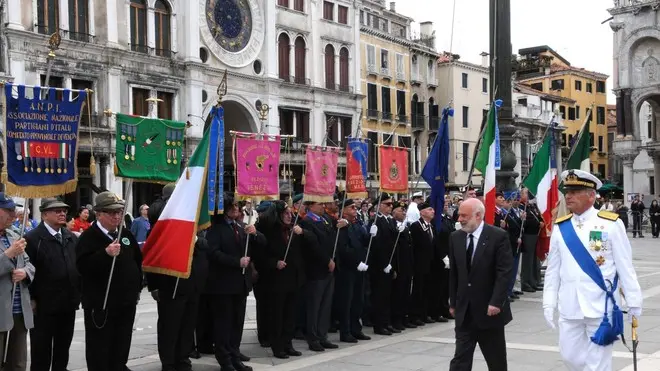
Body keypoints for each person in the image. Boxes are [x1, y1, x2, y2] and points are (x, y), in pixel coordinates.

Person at [543, 170, 643, 371]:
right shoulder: (561, 227)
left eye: (575, 191)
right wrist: (548, 302)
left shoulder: (611, 224)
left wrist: (634, 301)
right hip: (570, 305)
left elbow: (625, 266)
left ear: (591, 195)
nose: (568, 195)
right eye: (567, 190)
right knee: (570, 357)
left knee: (598, 364)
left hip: (601, 306)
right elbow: (553, 270)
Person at [76, 192, 143, 371]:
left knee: (122, 344)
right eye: (111, 212)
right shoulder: (89, 237)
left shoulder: (125, 234)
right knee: (100, 347)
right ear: (98, 214)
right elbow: (82, 267)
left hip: (126, 302)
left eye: (119, 212)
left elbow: (137, 260)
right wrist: (104, 254)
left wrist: (137, 287)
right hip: (102, 304)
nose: (116, 216)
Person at [146, 188, 209, 371]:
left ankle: (183, 359)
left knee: (187, 327)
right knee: (170, 328)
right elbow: (152, 256)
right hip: (170, 285)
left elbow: (204, 247)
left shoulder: (192, 227)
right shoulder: (161, 225)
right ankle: (169, 362)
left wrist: (194, 237)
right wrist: (153, 286)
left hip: (191, 285)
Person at [448, 198, 513, 371]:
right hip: (465, 312)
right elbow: (455, 273)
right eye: (459, 215)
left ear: (478, 216)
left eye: (464, 215)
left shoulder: (498, 236)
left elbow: (504, 272)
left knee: (496, 361)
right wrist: (453, 302)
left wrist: (496, 302)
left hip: (489, 312)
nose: (459, 219)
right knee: (460, 360)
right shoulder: (456, 237)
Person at [205, 193, 266, 371]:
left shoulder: (241, 226)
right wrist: (235, 262)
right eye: (231, 206)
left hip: (240, 284)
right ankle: (224, 359)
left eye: (237, 206)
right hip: (223, 284)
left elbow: (262, 243)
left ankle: (234, 354)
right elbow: (213, 253)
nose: (236, 209)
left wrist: (255, 234)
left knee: (237, 323)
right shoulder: (215, 228)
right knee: (224, 323)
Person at [25, 198, 80, 371]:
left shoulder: (70, 237)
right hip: (43, 305)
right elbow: (28, 269)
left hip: (68, 302)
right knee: (41, 349)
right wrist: (32, 298)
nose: (62, 213)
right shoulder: (33, 238)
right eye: (57, 211)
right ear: (44, 214)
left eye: (64, 210)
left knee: (63, 347)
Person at [254, 201, 305, 359]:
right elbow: (260, 254)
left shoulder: (292, 229)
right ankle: (277, 346)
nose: (290, 216)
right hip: (275, 279)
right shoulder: (268, 230)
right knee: (277, 315)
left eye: (291, 213)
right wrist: (274, 263)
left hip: (292, 278)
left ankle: (288, 343)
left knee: (290, 314)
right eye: (286, 213)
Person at [298, 200, 342, 351]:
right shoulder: (307, 221)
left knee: (325, 305)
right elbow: (313, 246)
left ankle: (323, 336)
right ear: (310, 206)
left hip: (329, 268)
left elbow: (332, 241)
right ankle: (313, 337)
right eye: (319, 204)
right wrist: (326, 260)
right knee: (314, 306)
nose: (323, 207)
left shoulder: (326, 219)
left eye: (324, 204)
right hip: (316, 269)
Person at [0, 193, 34, 371]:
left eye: (14, 211)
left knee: (18, 364)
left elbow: (29, 265)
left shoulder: (14, 235)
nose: (13, 215)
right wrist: (8, 255)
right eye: (8, 211)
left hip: (19, 311)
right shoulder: (12, 245)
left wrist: (25, 272)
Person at [335, 198, 371, 342]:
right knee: (347, 302)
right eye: (351, 208)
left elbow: (363, 243)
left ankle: (356, 329)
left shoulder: (357, 224)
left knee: (358, 300)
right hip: (347, 269)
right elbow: (343, 249)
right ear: (343, 210)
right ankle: (346, 331)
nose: (355, 210)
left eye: (355, 208)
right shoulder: (342, 225)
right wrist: (356, 262)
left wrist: (371, 234)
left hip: (360, 267)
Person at [367, 193, 398, 336]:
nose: (390, 207)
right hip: (379, 265)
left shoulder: (390, 221)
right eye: (387, 204)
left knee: (387, 295)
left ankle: (386, 322)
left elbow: (393, 244)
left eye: (391, 204)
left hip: (389, 264)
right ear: (379, 206)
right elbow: (376, 246)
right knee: (379, 296)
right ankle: (379, 325)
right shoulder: (375, 221)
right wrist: (384, 263)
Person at [409, 201, 437, 326]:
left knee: (427, 290)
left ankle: (424, 314)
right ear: (422, 212)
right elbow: (414, 246)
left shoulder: (431, 226)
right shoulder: (416, 226)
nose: (433, 211)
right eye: (430, 209)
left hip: (430, 263)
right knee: (418, 290)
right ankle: (415, 315)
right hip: (419, 264)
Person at [390, 200, 415, 330]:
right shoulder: (393, 225)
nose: (404, 213)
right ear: (394, 213)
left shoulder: (405, 226)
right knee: (397, 294)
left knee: (405, 293)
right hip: (398, 265)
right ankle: (396, 319)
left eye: (404, 210)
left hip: (407, 265)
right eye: (401, 210)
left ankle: (404, 317)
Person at [519, 189, 543, 292]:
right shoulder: (521, 206)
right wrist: (538, 223)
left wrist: (541, 222)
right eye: (525, 193)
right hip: (528, 234)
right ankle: (526, 282)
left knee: (534, 258)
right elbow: (526, 221)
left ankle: (534, 280)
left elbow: (538, 216)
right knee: (527, 260)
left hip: (535, 234)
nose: (528, 195)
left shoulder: (531, 206)